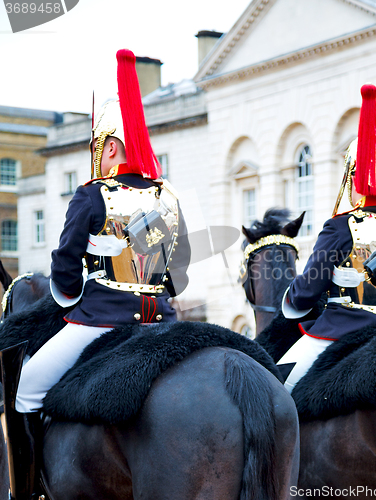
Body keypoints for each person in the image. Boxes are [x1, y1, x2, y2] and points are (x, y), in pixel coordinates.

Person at [0, 49, 190, 500]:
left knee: (25, 391)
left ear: (109, 147)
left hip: (99, 320)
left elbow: (63, 270)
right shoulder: (166, 198)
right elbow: (177, 277)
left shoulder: (91, 196)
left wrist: (72, 295)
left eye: (97, 151)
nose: (97, 161)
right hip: (161, 323)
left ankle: (27, 493)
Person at [278, 83, 376, 393]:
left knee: (277, 386)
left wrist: (291, 297)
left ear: (353, 178)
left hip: (342, 330)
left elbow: (308, 290)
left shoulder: (341, 226)